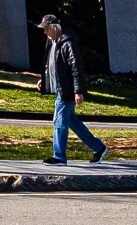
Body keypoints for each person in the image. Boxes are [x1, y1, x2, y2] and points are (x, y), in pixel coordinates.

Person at [39, 14, 108, 164]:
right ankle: (99, 147)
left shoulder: (67, 43)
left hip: (67, 90)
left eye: (46, 29)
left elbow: (76, 68)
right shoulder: (52, 43)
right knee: (71, 120)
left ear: (54, 27)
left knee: (59, 121)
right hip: (61, 88)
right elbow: (52, 67)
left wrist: (78, 91)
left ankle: (59, 156)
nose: (45, 32)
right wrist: (44, 81)